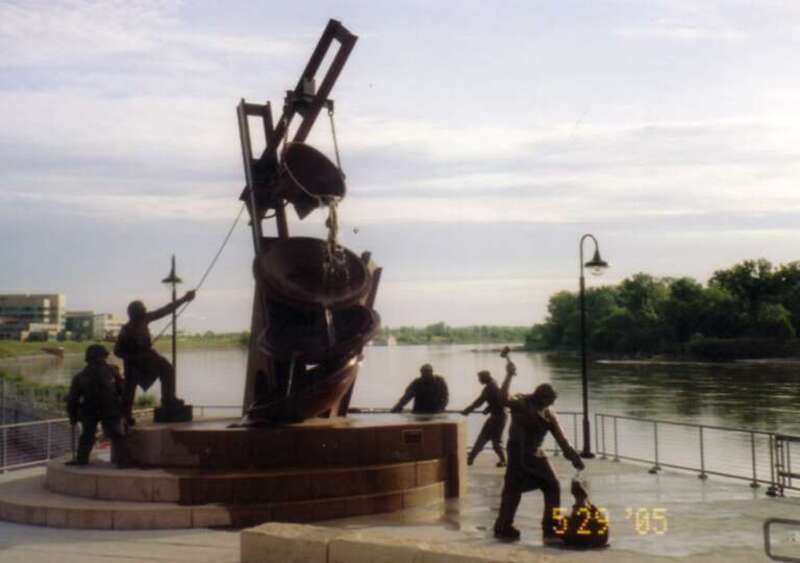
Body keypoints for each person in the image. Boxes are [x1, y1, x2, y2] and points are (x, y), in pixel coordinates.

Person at [494, 382, 585, 545]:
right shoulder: (521, 401)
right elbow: (502, 400)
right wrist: (508, 376)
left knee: (552, 486)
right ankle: (503, 526)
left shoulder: (549, 414)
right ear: (540, 396)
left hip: (536, 453)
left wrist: (574, 457)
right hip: (518, 452)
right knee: (513, 489)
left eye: (553, 400)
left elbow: (562, 440)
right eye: (550, 399)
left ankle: (550, 529)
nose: (552, 403)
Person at [114, 291, 195, 424]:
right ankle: (125, 415)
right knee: (129, 388)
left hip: (148, 356)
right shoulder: (126, 330)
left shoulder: (145, 319)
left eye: (143, 311)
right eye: (141, 312)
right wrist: (134, 356)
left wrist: (184, 299)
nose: (143, 314)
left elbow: (165, 310)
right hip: (133, 363)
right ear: (134, 314)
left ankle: (168, 399)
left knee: (167, 369)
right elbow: (117, 351)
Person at [66, 344, 127, 466]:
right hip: (100, 409)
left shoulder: (80, 377)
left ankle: (82, 459)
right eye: (102, 357)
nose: (102, 360)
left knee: (92, 435)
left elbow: (72, 400)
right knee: (113, 434)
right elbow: (123, 391)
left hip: (99, 409)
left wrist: (73, 416)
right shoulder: (112, 371)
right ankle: (123, 461)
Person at [462, 363, 515, 467]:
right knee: (487, 438)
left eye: (480, 378)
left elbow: (479, 401)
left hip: (498, 417)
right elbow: (497, 400)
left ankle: (472, 458)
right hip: (498, 416)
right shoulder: (493, 384)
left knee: (491, 440)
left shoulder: (489, 388)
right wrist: (489, 408)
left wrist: (468, 410)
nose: (479, 380)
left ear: (485, 377)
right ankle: (471, 458)